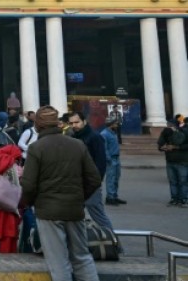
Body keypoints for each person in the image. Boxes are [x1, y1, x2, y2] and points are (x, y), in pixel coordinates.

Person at [20, 106, 101, 281]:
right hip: (74, 209)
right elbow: (94, 179)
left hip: (48, 212)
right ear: (58, 123)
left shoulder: (36, 148)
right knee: (82, 257)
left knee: (59, 262)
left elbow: (28, 185)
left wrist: (31, 202)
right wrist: (79, 197)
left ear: (38, 126)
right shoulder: (77, 145)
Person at [67, 111, 114, 231]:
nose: (74, 125)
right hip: (76, 184)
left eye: (77, 122)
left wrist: (95, 183)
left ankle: (115, 245)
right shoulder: (72, 137)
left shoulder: (95, 137)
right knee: (74, 217)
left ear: (84, 121)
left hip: (91, 184)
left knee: (98, 216)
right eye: (71, 123)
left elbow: (101, 163)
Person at [158, 116, 188, 207]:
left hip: (182, 161)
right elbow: (160, 143)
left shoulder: (184, 132)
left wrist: (175, 147)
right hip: (170, 161)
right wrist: (162, 147)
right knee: (173, 181)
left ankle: (183, 199)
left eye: (170, 125)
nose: (168, 126)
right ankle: (174, 198)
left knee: (182, 181)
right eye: (167, 124)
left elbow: (185, 145)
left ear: (175, 125)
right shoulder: (166, 132)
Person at [101, 117, 126, 205]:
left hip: (116, 158)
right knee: (110, 179)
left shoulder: (113, 133)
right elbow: (104, 149)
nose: (117, 125)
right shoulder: (104, 134)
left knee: (116, 178)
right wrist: (109, 159)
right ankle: (110, 198)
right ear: (111, 124)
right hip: (111, 159)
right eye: (115, 123)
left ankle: (114, 196)